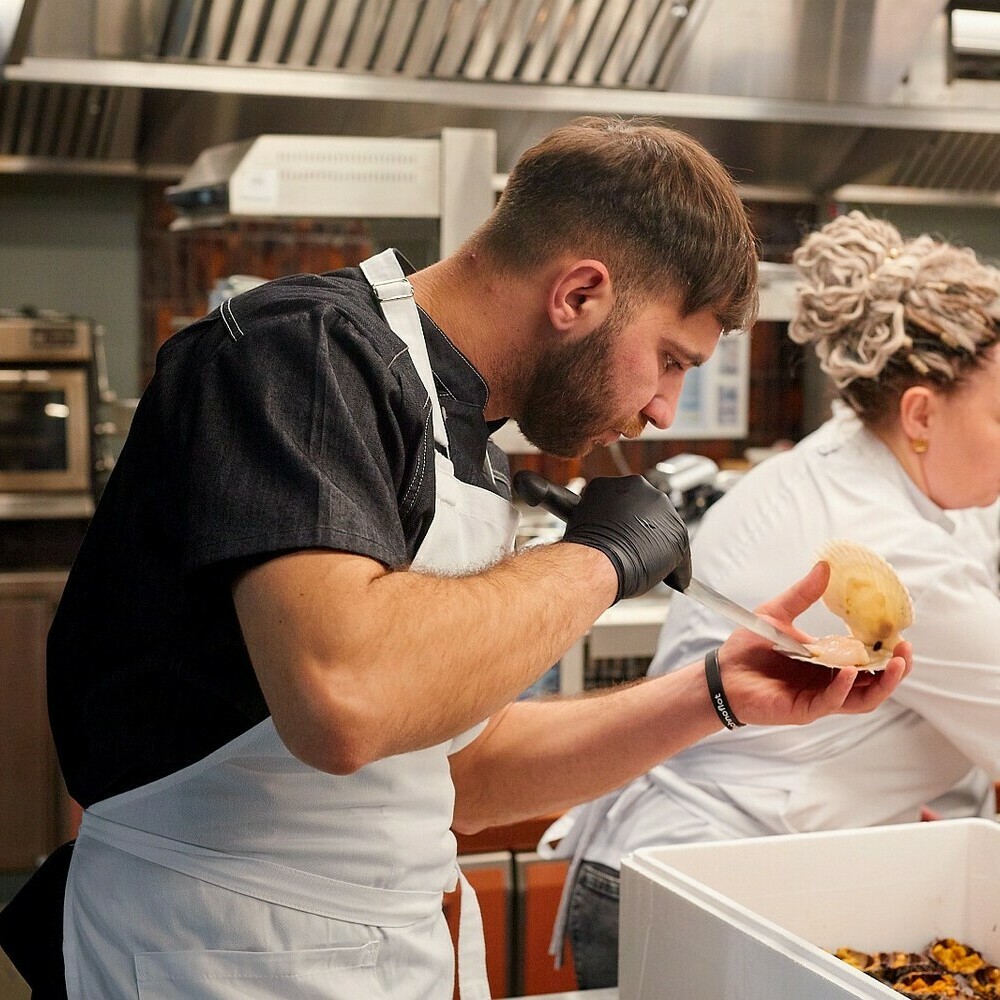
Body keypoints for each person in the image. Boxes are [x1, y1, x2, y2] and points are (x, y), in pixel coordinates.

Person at [0, 122, 910, 1000]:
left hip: (376, 957)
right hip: (208, 955)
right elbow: (345, 698)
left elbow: (460, 774)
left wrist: (714, 693)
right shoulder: (304, 353)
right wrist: (601, 557)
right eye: (669, 359)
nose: (664, 409)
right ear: (579, 294)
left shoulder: (471, 442)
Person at [546, 209, 1000, 990]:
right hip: (720, 892)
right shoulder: (891, 543)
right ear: (921, 413)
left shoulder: (849, 467)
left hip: (699, 870)